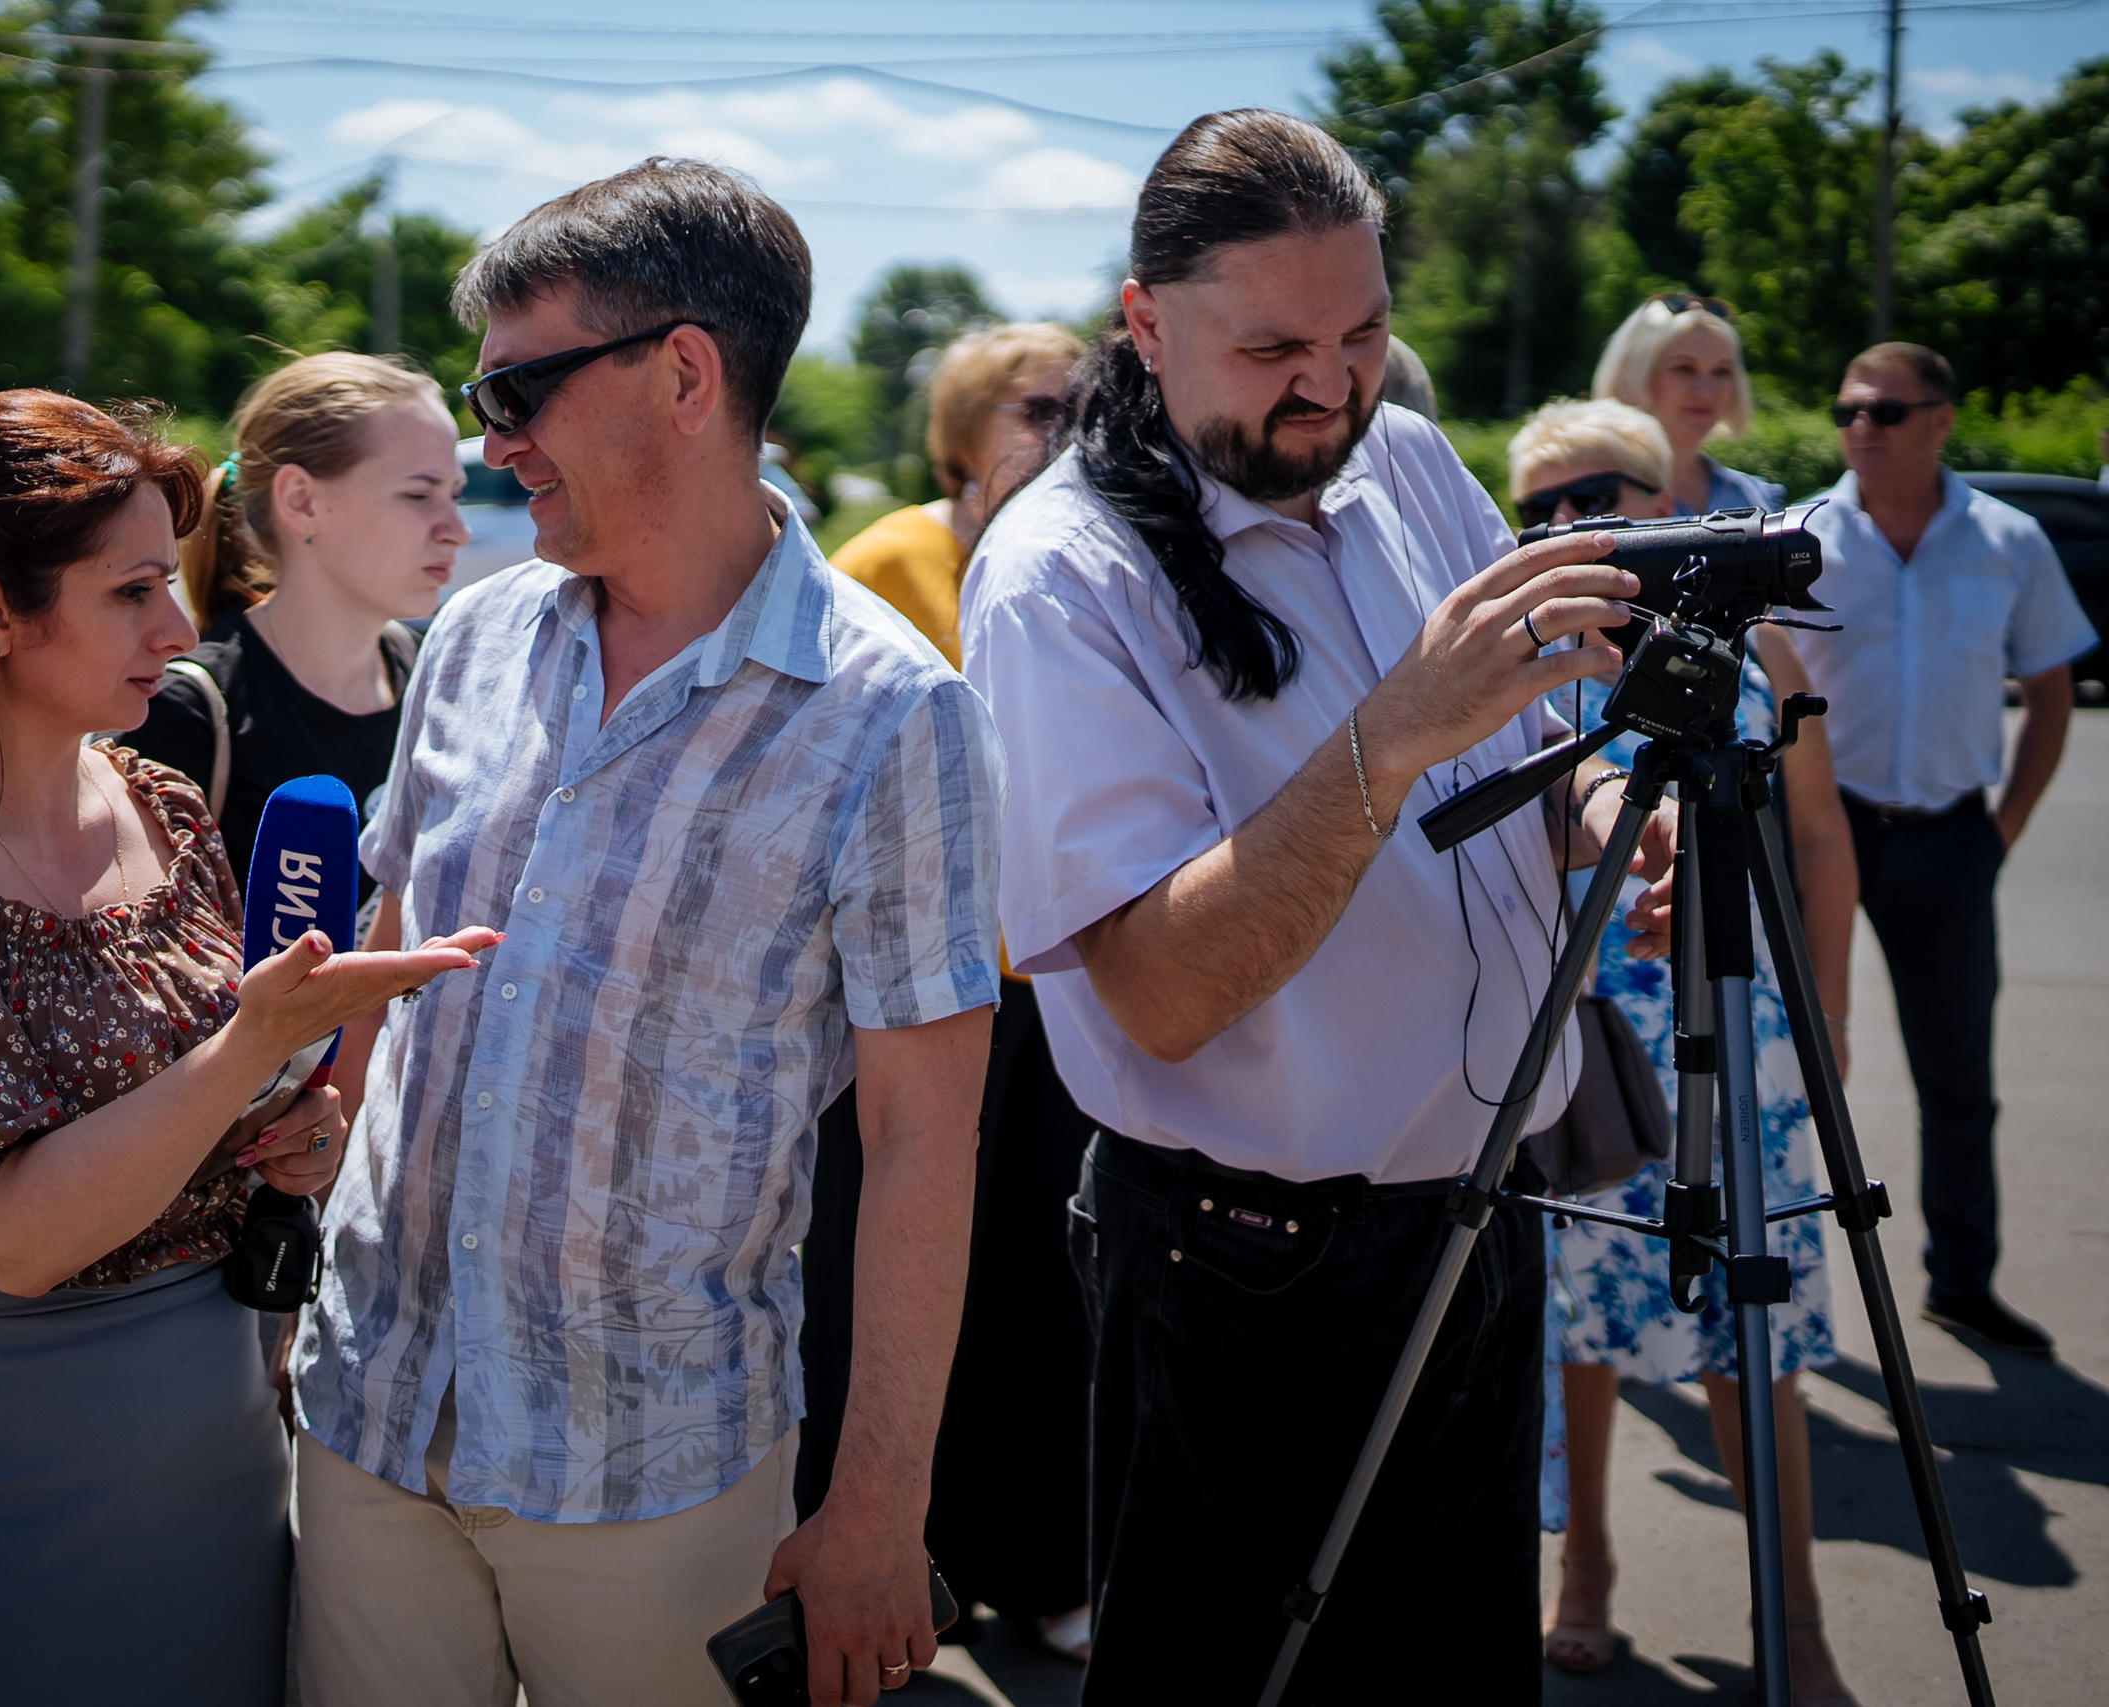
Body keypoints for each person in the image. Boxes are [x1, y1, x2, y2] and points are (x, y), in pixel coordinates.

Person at [960, 109, 1679, 1705]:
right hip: (1248, 1272)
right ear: (1145, 323)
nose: (1332, 383)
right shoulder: (1058, 578)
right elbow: (1155, 990)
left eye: (1362, 332)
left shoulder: (1409, 462)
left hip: (1481, 1216)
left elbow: (1531, 768)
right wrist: (1397, 728)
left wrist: (1614, 817)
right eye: (1274, 342)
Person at [286, 158, 1008, 1707]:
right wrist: (311, 1125)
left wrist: (878, 1501)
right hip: (372, 1414)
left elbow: (925, 1137)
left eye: (520, 389)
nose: (495, 442)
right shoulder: (475, 634)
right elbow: (391, 933)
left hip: (654, 1476)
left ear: (685, 372)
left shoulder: (895, 714)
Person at [0, 390, 491, 1704]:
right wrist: (253, 1049)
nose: (182, 631)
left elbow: (210, 1113)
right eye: (132, 591)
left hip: (222, 1443)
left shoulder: (165, 802)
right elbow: (13, 1238)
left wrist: (292, 1136)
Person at [1509, 400, 1860, 1704]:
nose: (1566, 525)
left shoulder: (1755, 634)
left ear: (1662, 500)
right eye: (1536, 506)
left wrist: (1827, 1015)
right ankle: (1587, 1561)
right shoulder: (1531, 651)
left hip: (1745, 1008)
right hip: (1592, 1015)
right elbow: (1497, 836)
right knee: (1583, 1313)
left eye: (1593, 494)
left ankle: (1799, 1612)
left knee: (1750, 1318)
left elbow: (1820, 837)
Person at [805, 320, 1096, 1664]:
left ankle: (1038, 1560)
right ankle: (884, 1558)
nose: (1069, 426)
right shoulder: (887, 561)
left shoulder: (1106, 565)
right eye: (1042, 404)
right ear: (964, 434)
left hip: (1054, 988)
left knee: (1045, 1285)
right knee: (889, 1284)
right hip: (901, 995)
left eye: (1091, 405)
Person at [1791, 342, 2097, 1356]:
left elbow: (2050, 692)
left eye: (1882, 412)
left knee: (1957, 1079)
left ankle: (1961, 1282)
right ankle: (1777, 1288)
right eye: (1846, 411)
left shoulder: (2006, 541)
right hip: (1816, 832)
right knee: (1786, 1063)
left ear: (1940, 420)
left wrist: (2001, 832)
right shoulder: (1801, 538)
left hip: (1949, 838)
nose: (1858, 431)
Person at [135, 351, 469, 890]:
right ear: (302, 501)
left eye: (455, 494)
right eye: (419, 495)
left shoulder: (439, 676)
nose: (457, 529)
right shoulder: (186, 712)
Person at [830, 321, 1083, 666]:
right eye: (1041, 412)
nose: (1071, 435)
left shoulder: (1093, 558)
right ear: (965, 429)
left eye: (1086, 412)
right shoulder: (880, 563)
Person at [1594, 294, 1782, 517]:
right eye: (1684, 369)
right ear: (1634, 375)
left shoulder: (1758, 496)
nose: (1706, 391)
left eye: (1722, 371)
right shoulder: (1590, 498)